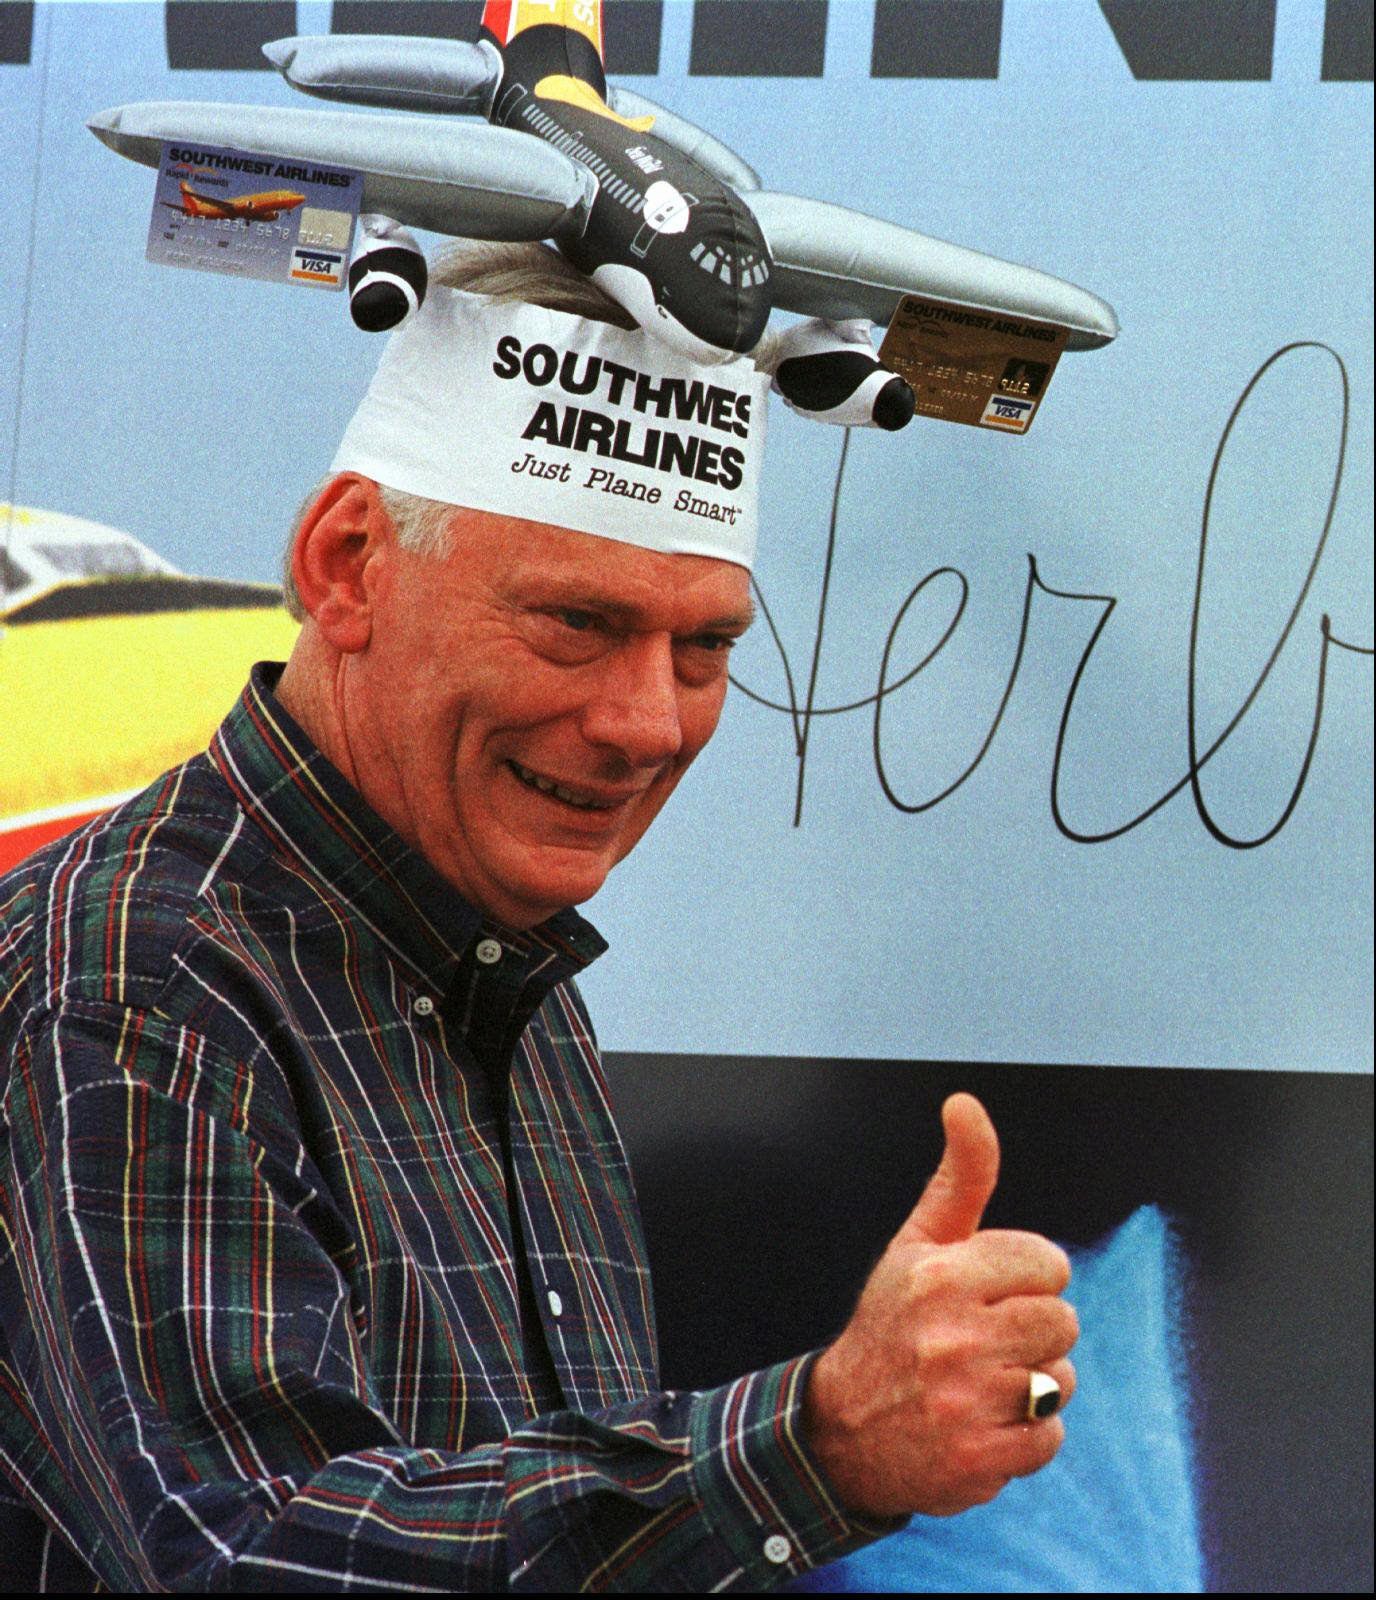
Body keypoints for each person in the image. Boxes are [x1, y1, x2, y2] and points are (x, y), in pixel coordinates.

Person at [0, 243, 1077, 1591]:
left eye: (705, 648)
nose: (646, 723)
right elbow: (248, 1551)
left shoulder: (502, 958)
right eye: (576, 621)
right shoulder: (136, 985)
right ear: (348, 565)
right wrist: (819, 1445)